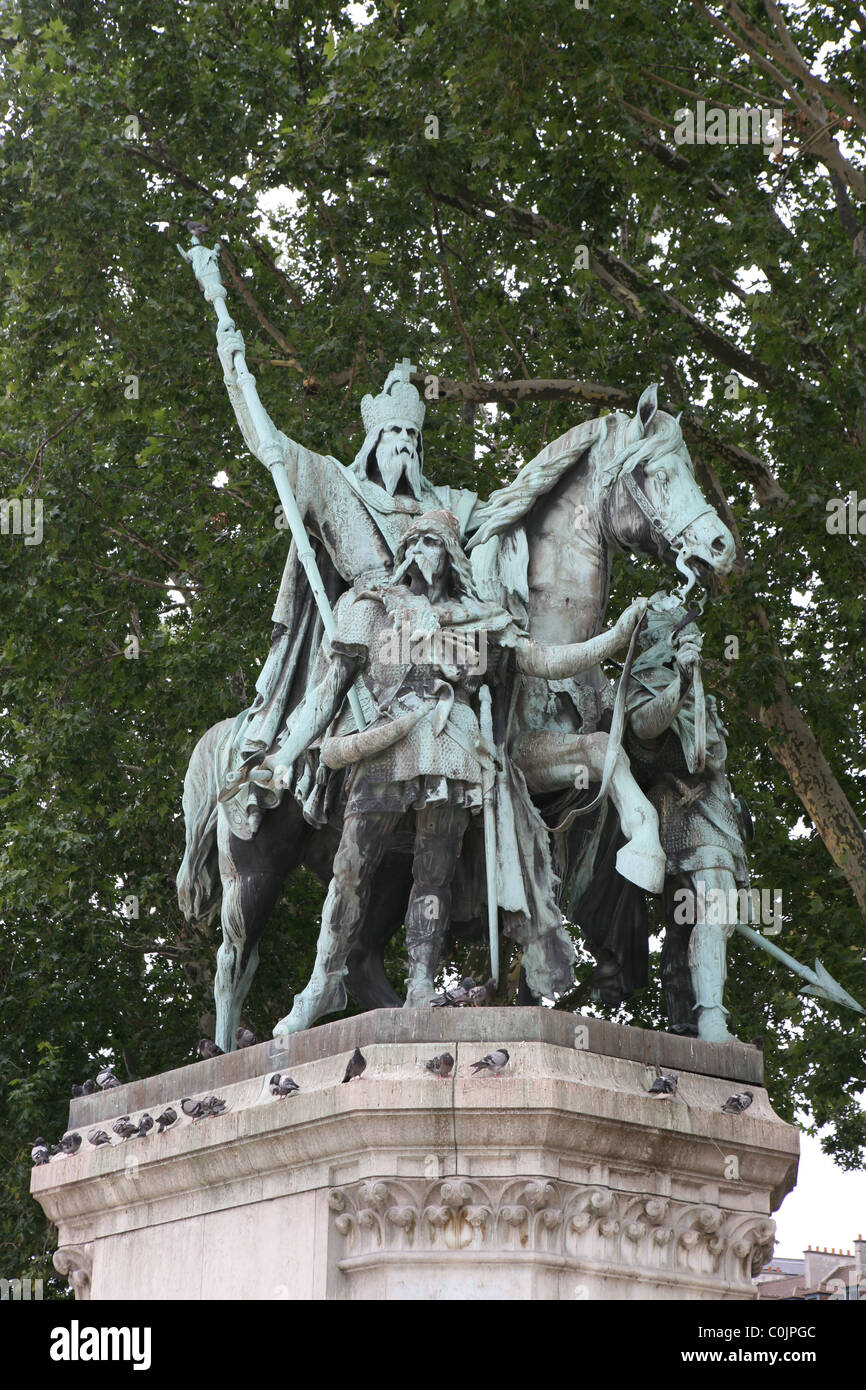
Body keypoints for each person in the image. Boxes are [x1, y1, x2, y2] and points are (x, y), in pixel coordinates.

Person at [251, 510, 651, 1032]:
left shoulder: (480, 617)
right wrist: (285, 754)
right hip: (382, 747)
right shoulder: (369, 608)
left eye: (431, 541)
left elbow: (546, 661)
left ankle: (421, 983)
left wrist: (618, 635)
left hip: (452, 749)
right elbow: (328, 691)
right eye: (411, 541)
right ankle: (322, 981)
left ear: (449, 556)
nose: (418, 549)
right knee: (351, 867)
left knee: (433, 874)